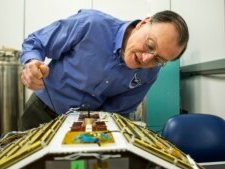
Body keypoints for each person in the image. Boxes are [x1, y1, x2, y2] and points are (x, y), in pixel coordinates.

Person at [20, 9, 189, 130]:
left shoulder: (151, 72)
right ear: (143, 24)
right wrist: (31, 61)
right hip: (41, 113)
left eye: (158, 59)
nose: (146, 59)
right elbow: (37, 41)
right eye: (149, 45)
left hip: (87, 126)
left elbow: (117, 111)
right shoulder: (91, 24)